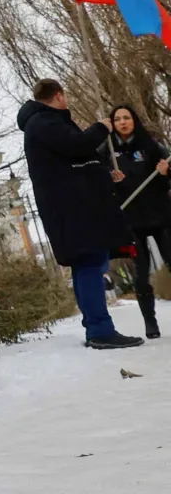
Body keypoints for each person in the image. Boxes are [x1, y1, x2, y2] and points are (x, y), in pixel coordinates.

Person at [17, 79, 140, 349]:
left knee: (92, 263)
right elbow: (77, 146)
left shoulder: (45, 123)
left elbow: (73, 163)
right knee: (89, 263)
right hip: (73, 211)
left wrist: (104, 174)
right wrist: (101, 128)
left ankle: (98, 328)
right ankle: (100, 330)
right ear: (59, 96)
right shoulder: (44, 122)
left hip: (76, 209)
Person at [105, 104, 171, 339]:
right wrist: (114, 183)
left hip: (161, 215)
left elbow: (165, 185)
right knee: (141, 274)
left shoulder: (153, 146)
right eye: (118, 119)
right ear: (112, 123)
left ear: (134, 120)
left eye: (127, 117)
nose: (123, 122)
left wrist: (165, 173)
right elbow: (102, 188)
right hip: (132, 221)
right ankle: (150, 322)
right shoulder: (108, 151)